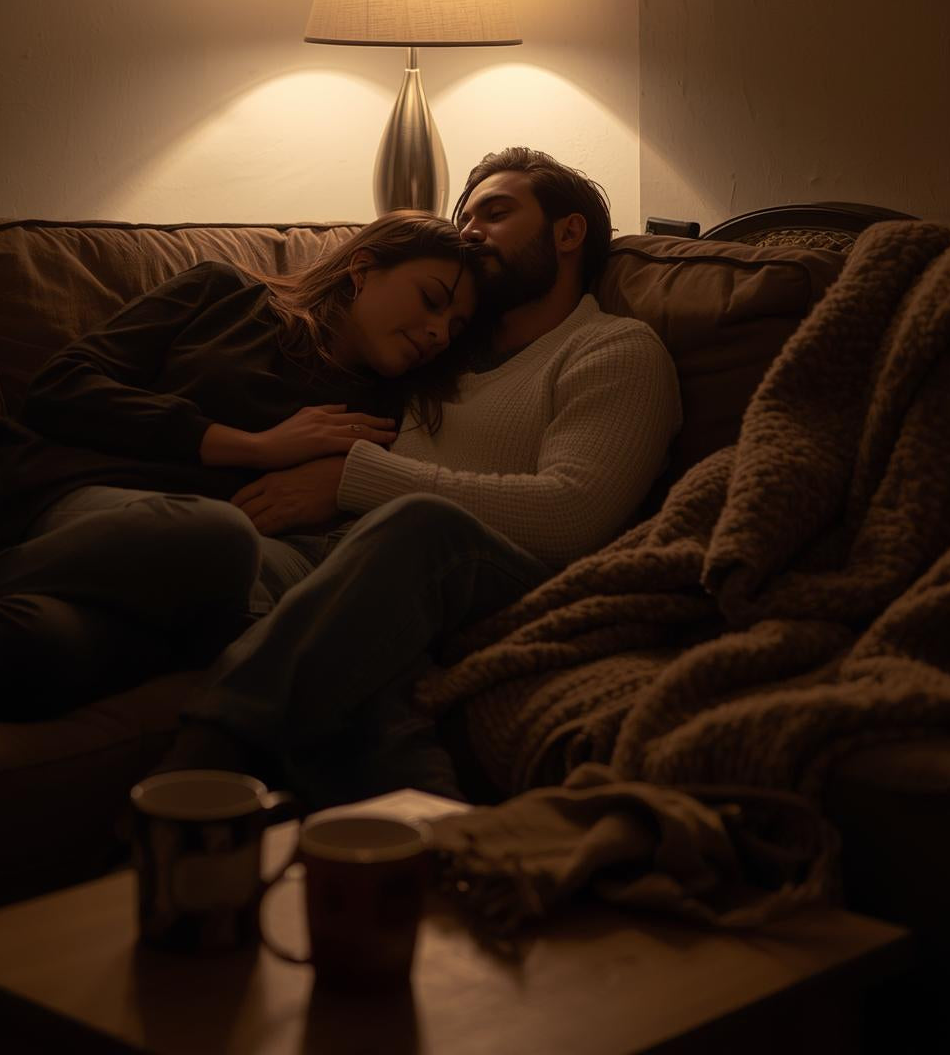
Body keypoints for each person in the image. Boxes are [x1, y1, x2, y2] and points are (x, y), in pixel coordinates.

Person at [0, 211, 478, 720]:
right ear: (363, 268)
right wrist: (249, 445)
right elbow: (61, 386)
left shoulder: (392, 427)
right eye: (431, 299)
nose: (439, 331)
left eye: (456, 327)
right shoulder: (227, 293)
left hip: (114, 568)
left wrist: (335, 483)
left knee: (187, 555)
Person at [161, 148, 683, 806]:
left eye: (495, 212)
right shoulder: (439, 354)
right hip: (382, 568)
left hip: (515, 577)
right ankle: (414, 843)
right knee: (247, 564)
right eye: (463, 217)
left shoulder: (614, 350)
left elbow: (571, 516)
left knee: (420, 527)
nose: (469, 231)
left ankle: (201, 766)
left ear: (568, 232)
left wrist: (352, 478)